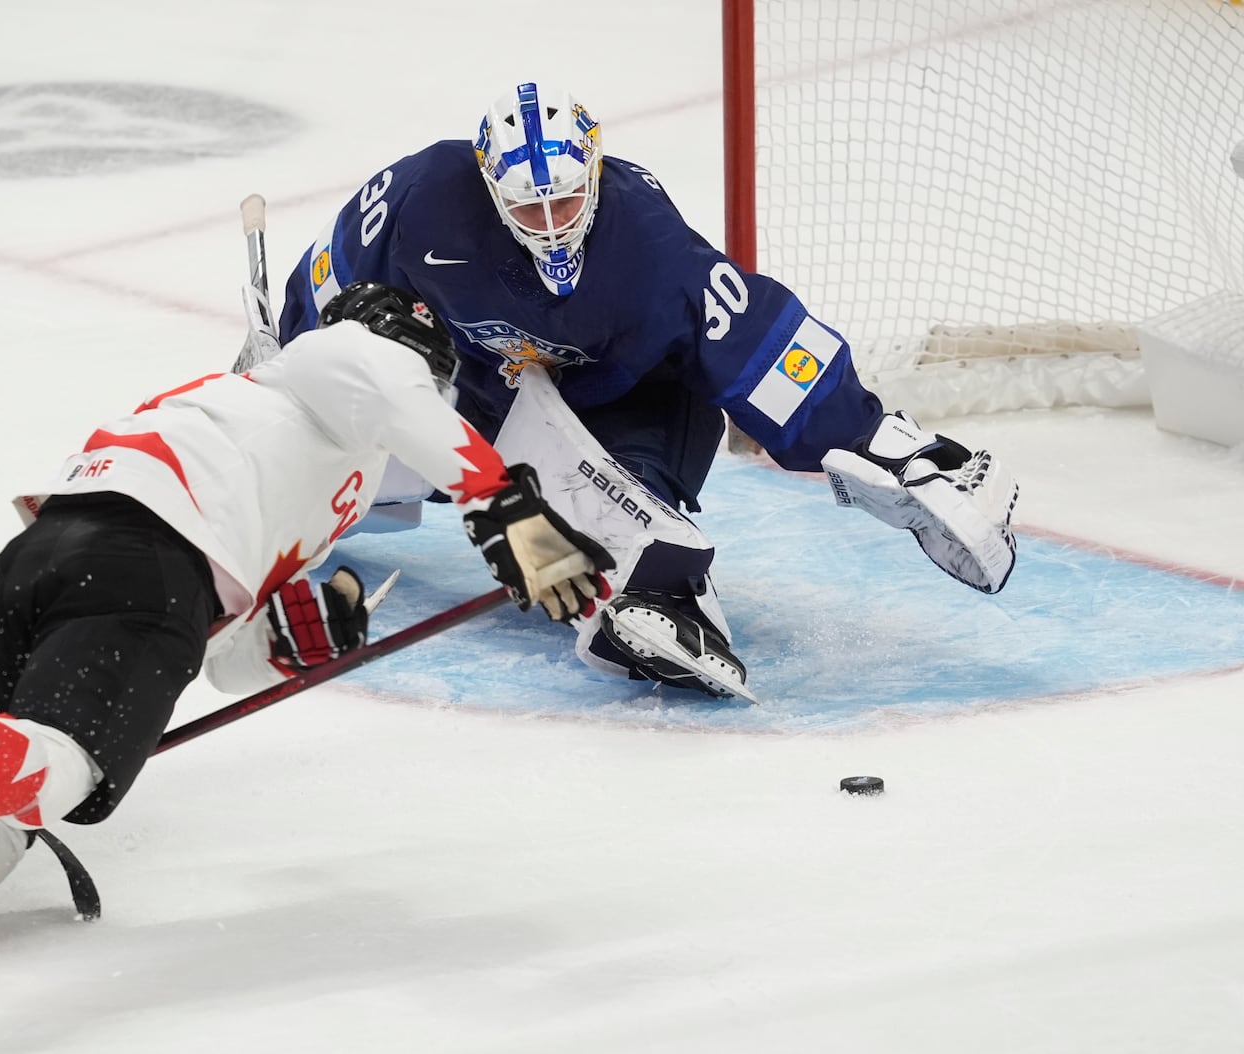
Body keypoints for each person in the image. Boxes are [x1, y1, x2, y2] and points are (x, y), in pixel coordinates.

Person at [0, 282, 613, 906]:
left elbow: (214, 652)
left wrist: (294, 637)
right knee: (65, 764)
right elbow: (388, 385)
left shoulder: (271, 430)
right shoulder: (349, 364)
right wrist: (503, 506)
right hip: (143, 567)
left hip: (45, 559)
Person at [270, 81, 1020, 701]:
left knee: (612, 487)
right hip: (468, 390)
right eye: (530, 208)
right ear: (489, 187)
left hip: (622, 403)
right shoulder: (423, 196)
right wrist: (302, 346)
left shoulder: (648, 242)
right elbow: (336, 271)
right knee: (318, 462)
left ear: (593, 173)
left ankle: (657, 589)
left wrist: (869, 438)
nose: (551, 225)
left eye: (564, 202)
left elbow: (755, 335)